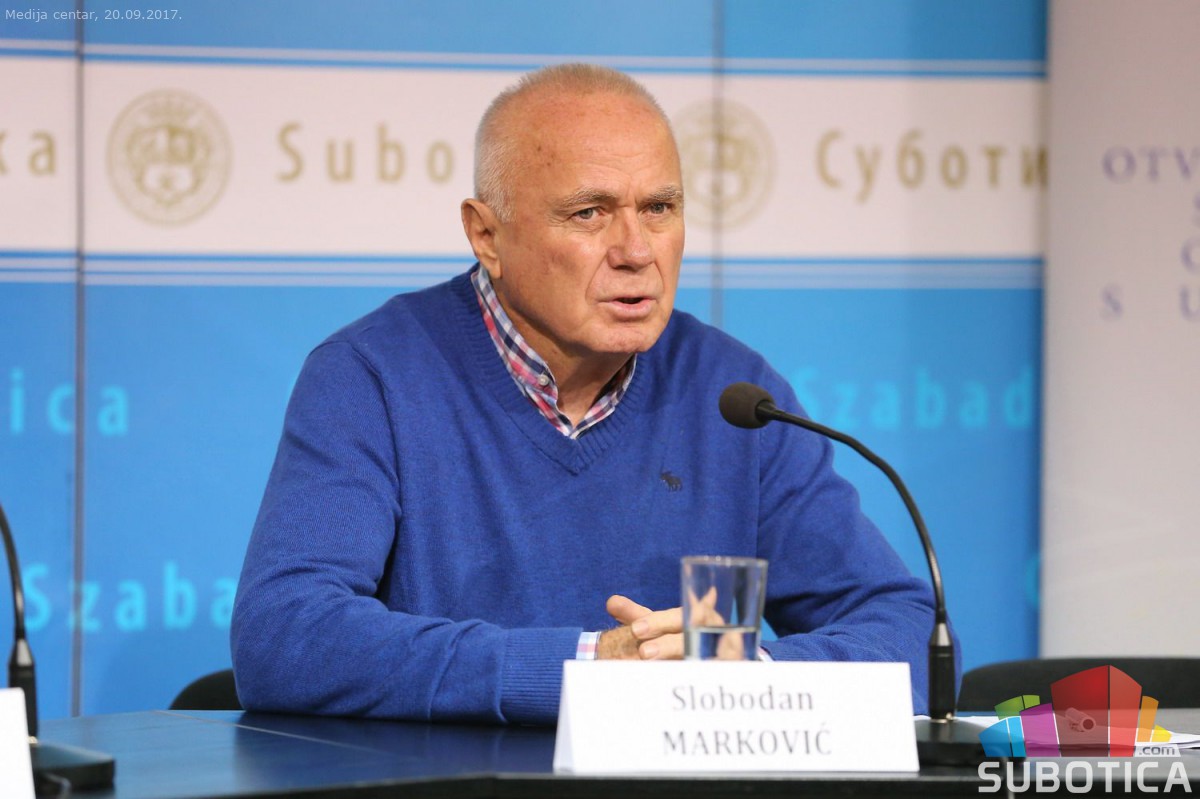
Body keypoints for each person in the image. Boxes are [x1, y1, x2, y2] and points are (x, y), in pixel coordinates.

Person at [231, 63, 942, 725]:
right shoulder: (373, 376)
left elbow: (911, 633)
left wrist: (751, 672)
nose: (636, 250)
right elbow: (285, 633)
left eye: (659, 207)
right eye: (589, 214)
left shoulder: (733, 396)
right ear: (486, 234)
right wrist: (585, 669)